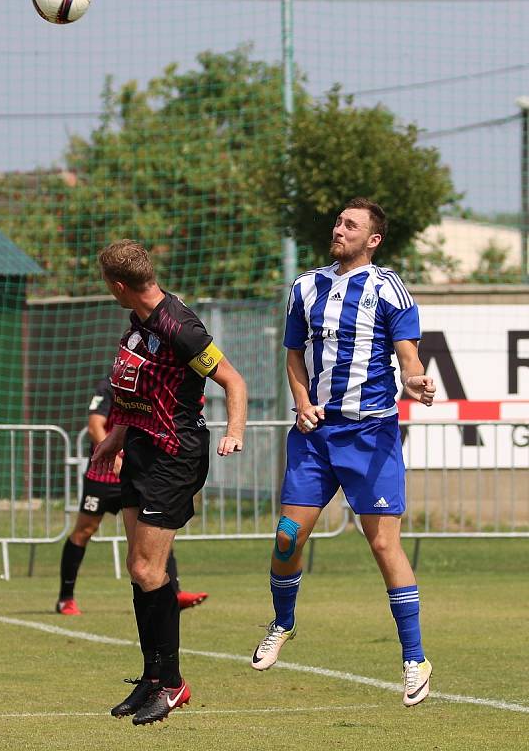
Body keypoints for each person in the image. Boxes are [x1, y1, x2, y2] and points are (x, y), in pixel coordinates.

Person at [251, 197, 436, 708]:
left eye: (350, 224)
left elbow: (408, 356)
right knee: (288, 536)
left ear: (372, 239)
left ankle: (415, 658)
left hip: (369, 437)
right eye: (338, 221)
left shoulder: (388, 288)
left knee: (383, 548)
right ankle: (283, 622)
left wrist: (416, 381)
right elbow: (293, 352)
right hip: (315, 436)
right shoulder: (305, 286)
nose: (339, 228)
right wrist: (303, 400)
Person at [91, 239, 247, 726]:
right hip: (140, 448)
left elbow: (232, 380)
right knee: (139, 570)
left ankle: (173, 684)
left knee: (146, 567)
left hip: (173, 456)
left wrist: (234, 432)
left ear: (119, 286)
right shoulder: (138, 321)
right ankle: (153, 677)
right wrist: (116, 436)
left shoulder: (180, 327)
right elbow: (140, 390)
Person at [56, 373, 209, 616]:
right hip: (105, 473)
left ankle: (173, 593)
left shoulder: (154, 383)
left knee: (155, 530)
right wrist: (114, 457)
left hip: (139, 472)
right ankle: (66, 598)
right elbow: (95, 425)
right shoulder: (109, 385)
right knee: (84, 530)